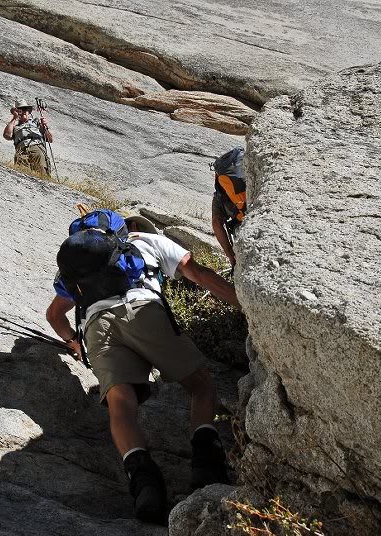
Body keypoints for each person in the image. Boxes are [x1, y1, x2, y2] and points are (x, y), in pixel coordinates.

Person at [45, 212, 240, 525]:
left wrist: (74, 343)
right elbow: (199, 274)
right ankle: (207, 464)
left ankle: (145, 485)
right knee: (200, 384)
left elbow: (55, 315)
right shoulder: (151, 241)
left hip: (97, 326)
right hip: (143, 309)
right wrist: (244, 304)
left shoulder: (82, 261)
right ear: (129, 229)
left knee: (121, 406)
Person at [3, 99, 53, 176]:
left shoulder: (36, 122)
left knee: (42, 171)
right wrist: (14, 117)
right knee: (21, 174)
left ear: (29, 111)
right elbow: (7, 135)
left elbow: (50, 139)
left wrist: (45, 126)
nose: (23, 112)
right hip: (21, 150)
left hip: (36, 147)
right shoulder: (15, 127)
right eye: (20, 110)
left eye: (25, 109)